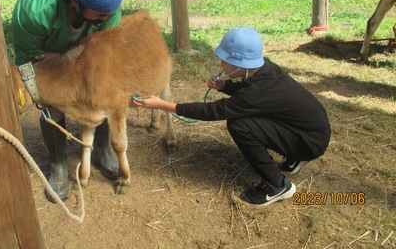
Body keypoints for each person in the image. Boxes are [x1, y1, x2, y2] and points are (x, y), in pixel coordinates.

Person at [133, 27, 331, 206]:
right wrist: (225, 86)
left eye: (224, 60)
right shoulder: (264, 69)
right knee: (252, 120)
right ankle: (294, 159)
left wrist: (163, 105)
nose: (220, 63)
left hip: (309, 142)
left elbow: (212, 111)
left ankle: (277, 185)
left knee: (240, 125)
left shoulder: (257, 93)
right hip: (310, 131)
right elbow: (250, 90)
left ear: (239, 63)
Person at [12, 0, 124, 202]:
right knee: (54, 104)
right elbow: (31, 54)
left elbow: (105, 46)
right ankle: (58, 166)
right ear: (75, 0)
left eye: (108, 14)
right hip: (42, 53)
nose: (105, 19)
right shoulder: (35, 10)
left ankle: (102, 151)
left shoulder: (107, 6)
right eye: (98, 15)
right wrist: (57, 62)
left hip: (81, 52)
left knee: (101, 91)